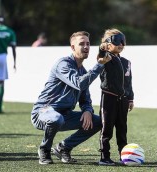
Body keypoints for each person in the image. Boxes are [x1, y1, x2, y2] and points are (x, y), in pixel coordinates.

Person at [31, 31, 111, 165]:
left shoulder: (84, 71)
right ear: (73, 47)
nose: (86, 47)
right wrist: (100, 64)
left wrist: (87, 111)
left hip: (64, 115)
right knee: (56, 118)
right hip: (43, 112)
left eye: (88, 44)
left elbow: (85, 99)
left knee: (98, 122)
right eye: (81, 44)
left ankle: (64, 147)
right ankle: (44, 149)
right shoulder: (63, 64)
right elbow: (79, 83)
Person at [97, 28, 134, 165]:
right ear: (107, 42)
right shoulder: (106, 58)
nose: (121, 44)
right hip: (108, 98)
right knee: (106, 129)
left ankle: (123, 156)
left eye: (123, 41)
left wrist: (130, 98)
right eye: (117, 40)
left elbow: (129, 82)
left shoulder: (126, 62)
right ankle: (104, 157)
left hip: (123, 100)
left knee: (122, 129)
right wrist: (102, 47)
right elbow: (100, 55)